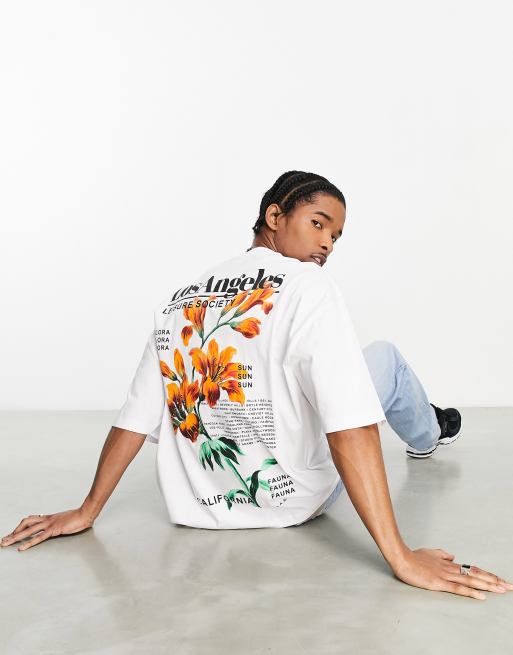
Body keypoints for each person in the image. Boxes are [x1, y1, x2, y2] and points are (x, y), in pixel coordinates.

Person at [2, 170, 511, 602]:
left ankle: (428, 425)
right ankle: (430, 433)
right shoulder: (309, 286)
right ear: (274, 216)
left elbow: (135, 415)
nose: (327, 244)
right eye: (318, 224)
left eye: (336, 237)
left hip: (203, 510)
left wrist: (88, 510)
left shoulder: (181, 299)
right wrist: (400, 556)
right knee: (384, 360)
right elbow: (349, 422)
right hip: (294, 499)